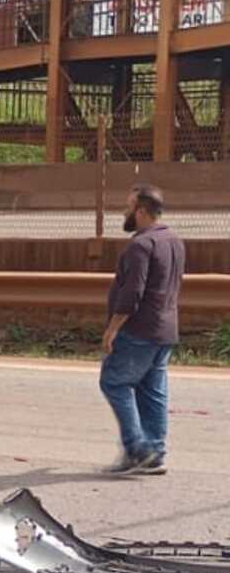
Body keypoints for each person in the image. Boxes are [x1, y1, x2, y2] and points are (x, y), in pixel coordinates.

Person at [99, 184, 185, 476]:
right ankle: (155, 454)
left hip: (139, 330)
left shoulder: (140, 245)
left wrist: (112, 329)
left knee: (114, 382)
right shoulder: (173, 240)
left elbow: (132, 292)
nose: (125, 212)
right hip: (165, 329)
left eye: (129, 206)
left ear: (142, 211)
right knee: (152, 391)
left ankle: (138, 449)